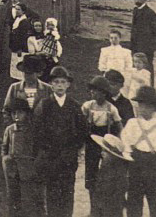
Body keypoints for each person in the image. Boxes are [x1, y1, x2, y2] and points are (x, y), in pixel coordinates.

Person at [32, 66, 87, 217]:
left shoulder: (74, 106)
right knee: (52, 194)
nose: (60, 85)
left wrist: (73, 149)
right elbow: (37, 131)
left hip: (68, 159)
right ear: (51, 84)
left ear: (68, 84)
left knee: (68, 194)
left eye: (63, 82)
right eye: (56, 82)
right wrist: (45, 152)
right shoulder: (44, 105)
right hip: (51, 158)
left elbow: (83, 131)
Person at [122, 86, 156, 217]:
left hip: (152, 166)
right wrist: (128, 156)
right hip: (135, 164)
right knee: (134, 201)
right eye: (141, 105)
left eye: (147, 106)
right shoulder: (132, 123)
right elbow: (125, 142)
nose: (143, 109)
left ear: (154, 108)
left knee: (155, 202)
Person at [82, 76, 123, 214]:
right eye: (92, 90)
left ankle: (104, 210)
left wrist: (118, 143)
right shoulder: (87, 106)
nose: (92, 93)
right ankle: (93, 210)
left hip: (105, 143)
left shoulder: (111, 108)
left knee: (104, 176)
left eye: (96, 91)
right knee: (91, 176)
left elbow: (119, 126)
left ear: (104, 93)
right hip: (91, 143)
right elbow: (80, 122)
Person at [2, 98, 43, 217]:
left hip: (28, 170)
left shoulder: (32, 130)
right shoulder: (9, 130)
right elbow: (4, 147)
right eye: (13, 113)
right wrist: (6, 160)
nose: (16, 116)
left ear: (26, 113)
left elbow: (37, 149)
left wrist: (34, 165)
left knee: (30, 199)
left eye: (20, 113)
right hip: (12, 170)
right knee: (13, 199)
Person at [90, 134, 132, 217]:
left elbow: (115, 199)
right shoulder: (105, 167)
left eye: (105, 151)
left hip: (111, 209)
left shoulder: (118, 172)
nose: (102, 153)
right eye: (102, 150)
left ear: (113, 155)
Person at [2, 54, 52, 125]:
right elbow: (7, 110)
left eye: (30, 73)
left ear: (39, 73)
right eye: (25, 73)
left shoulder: (48, 89)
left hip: (41, 129)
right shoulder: (15, 88)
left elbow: (52, 112)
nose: (26, 76)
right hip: (20, 128)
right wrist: (13, 126)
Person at [131, 0, 156, 84]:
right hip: (136, 45)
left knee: (147, 69)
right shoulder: (135, 11)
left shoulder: (150, 13)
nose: (136, 0)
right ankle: (137, 89)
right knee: (136, 68)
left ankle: (149, 89)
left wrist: (151, 44)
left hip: (147, 47)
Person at [9, 3, 33, 80]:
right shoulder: (17, 20)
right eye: (16, 9)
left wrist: (19, 48)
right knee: (15, 66)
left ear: (23, 11)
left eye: (19, 9)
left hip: (20, 49)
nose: (17, 11)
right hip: (15, 47)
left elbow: (22, 37)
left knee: (20, 65)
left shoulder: (24, 22)